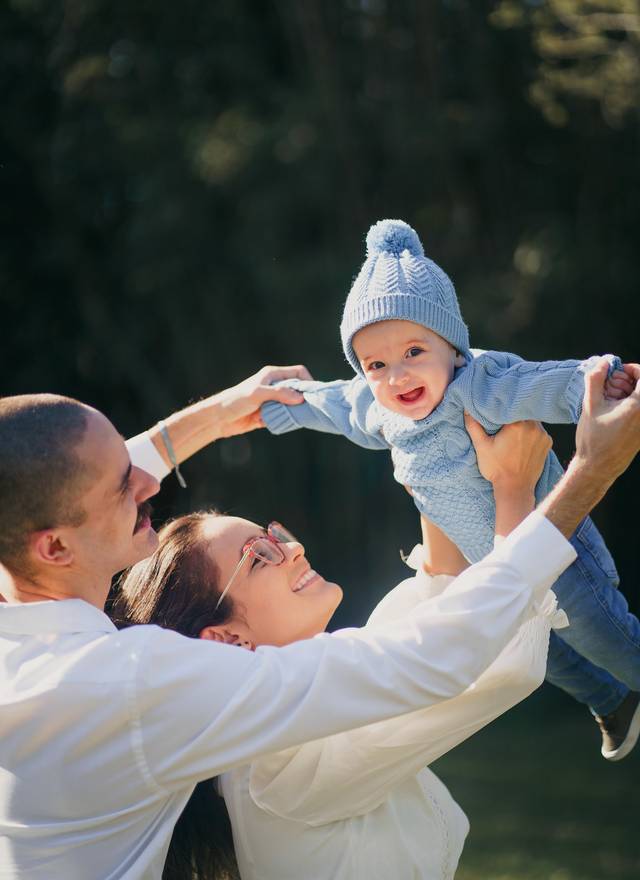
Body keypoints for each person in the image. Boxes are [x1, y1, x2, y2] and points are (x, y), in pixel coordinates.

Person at [0, 361, 638, 879]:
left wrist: (219, 416)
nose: (147, 485)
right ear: (53, 548)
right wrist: (590, 471)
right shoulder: (134, 682)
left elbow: (56, 489)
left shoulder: (23, 606)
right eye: (123, 486)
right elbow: (429, 657)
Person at [112, 417, 568, 880]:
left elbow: (433, 607)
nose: (294, 550)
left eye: (274, 536)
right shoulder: (283, 754)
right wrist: (520, 488)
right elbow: (490, 661)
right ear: (228, 639)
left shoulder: (292, 705)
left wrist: (430, 447)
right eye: (258, 555)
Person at [259, 218, 640, 757]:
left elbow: (537, 383)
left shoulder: (476, 386)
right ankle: (613, 703)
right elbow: (335, 403)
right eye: (377, 364)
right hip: (493, 566)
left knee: (609, 639)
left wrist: (600, 382)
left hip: (557, 550)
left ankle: (625, 681)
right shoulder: (379, 408)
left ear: (452, 347)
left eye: (414, 352)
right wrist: (279, 403)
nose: (397, 377)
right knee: (535, 649)